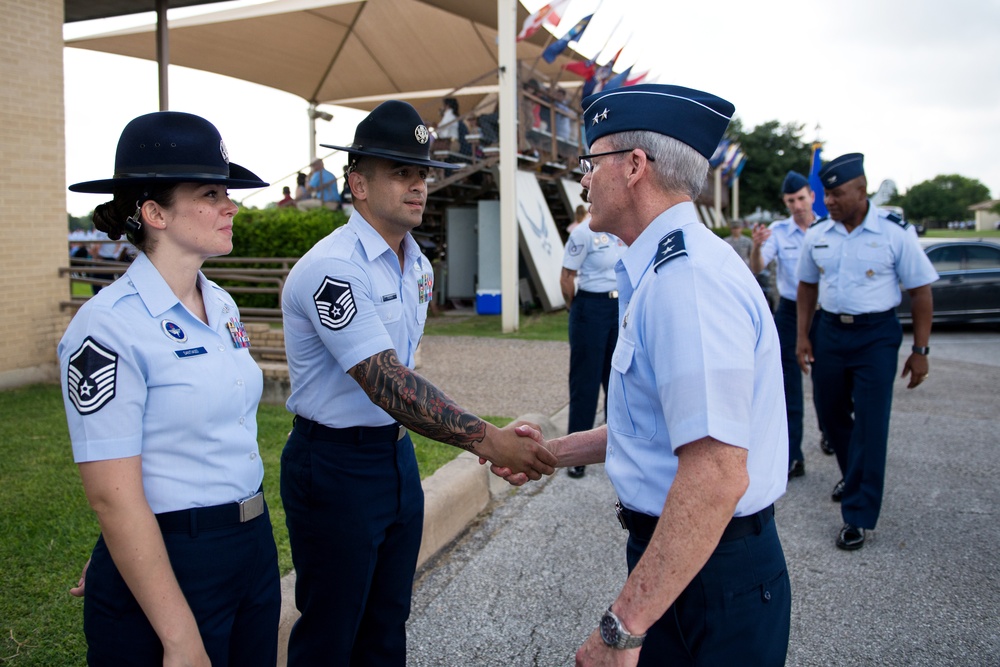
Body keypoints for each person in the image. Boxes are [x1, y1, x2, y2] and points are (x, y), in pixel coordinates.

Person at [497, 83, 791, 665]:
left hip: (709, 574)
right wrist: (552, 452)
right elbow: (662, 429)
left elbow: (712, 475)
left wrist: (622, 629)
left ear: (634, 166)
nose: (582, 180)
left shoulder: (689, 283)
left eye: (590, 162)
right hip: (687, 559)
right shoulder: (667, 268)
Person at [279, 100, 557, 666]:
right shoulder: (335, 267)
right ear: (357, 182)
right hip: (333, 466)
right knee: (332, 632)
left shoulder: (417, 266)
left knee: (386, 625)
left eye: (423, 172)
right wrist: (490, 440)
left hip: (393, 455)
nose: (418, 185)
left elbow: (404, 376)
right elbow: (386, 381)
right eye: (400, 172)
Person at [58, 111, 280, 665]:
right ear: (154, 212)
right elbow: (112, 495)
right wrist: (179, 637)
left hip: (250, 546)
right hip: (176, 559)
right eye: (210, 192)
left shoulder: (221, 303)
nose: (230, 205)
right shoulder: (107, 326)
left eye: (227, 191)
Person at [796, 152, 938, 550]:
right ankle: (854, 475)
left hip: (876, 335)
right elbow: (807, 286)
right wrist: (803, 337)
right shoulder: (819, 233)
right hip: (830, 332)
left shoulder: (895, 233)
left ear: (862, 190)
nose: (830, 201)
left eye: (838, 193)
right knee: (831, 412)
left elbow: (921, 292)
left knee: (872, 424)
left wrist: (920, 349)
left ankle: (857, 515)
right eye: (827, 194)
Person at [751, 171, 818, 478]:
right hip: (791, 312)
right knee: (789, 386)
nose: (797, 205)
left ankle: (832, 430)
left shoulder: (827, 230)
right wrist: (755, 246)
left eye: (801, 198)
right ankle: (794, 455)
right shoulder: (778, 231)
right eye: (791, 201)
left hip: (824, 311)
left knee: (830, 384)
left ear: (812, 197)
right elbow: (759, 266)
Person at [559, 210, 624, 479]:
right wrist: (576, 308)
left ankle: (617, 451)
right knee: (585, 384)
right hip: (590, 306)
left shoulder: (622, 229)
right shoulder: (582, 233)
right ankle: (577, 457)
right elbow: (566, 277)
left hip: (618, 306)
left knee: (618, 382)